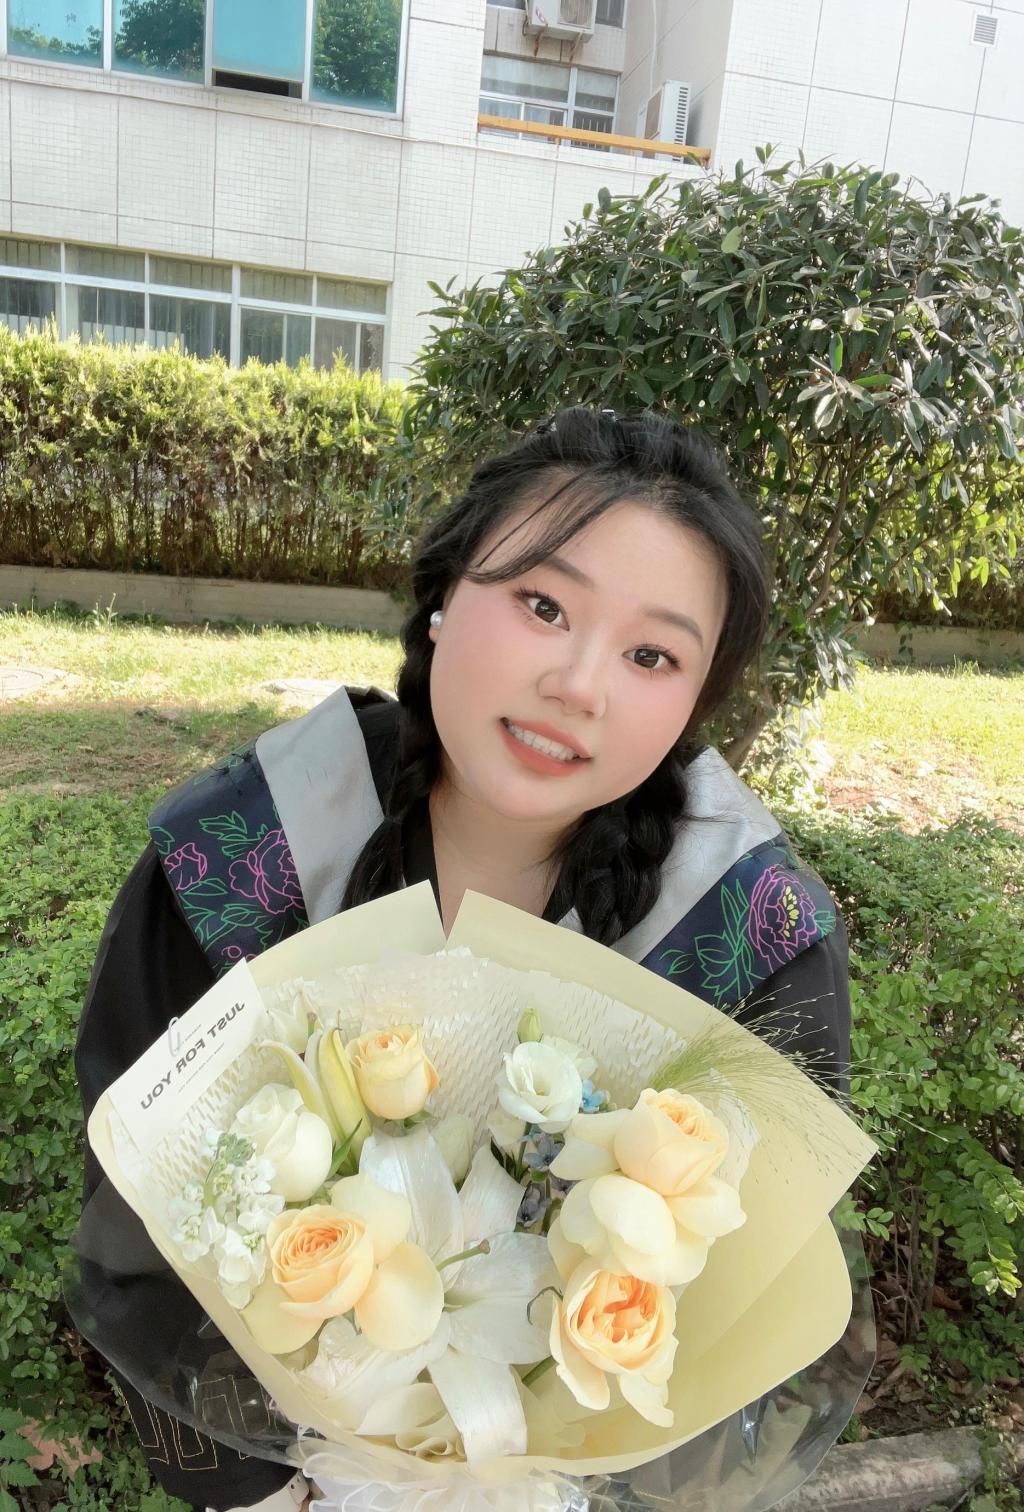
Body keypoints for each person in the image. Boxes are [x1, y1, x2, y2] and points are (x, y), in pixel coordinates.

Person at [75, 407, 852, 1511]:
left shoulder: (747, 934)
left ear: (693, 701)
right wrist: (271, 1491)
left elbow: (741, 1305)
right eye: (543, 605)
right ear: (444, 595)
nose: (579, 684)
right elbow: (140, 1213)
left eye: (651, 655)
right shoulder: (246, 849)